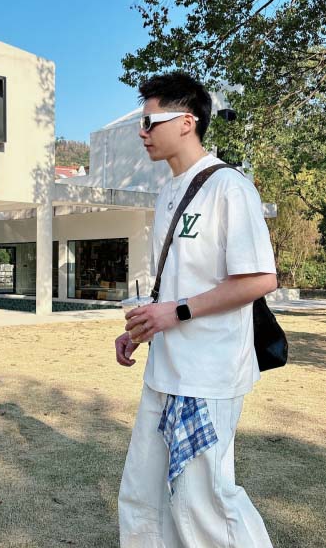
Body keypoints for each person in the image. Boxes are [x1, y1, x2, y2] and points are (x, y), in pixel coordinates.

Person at [115, 71, 277, 548]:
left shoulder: (229, 187)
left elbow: (260, 279)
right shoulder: (168, 192)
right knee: (143, 496)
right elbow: (176, 283)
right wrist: (143, 326)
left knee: (204, 503)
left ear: (186, 122)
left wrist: (175, 313)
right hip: (164, 369)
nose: (142, 133)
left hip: (208, 373)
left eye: (150, 122)